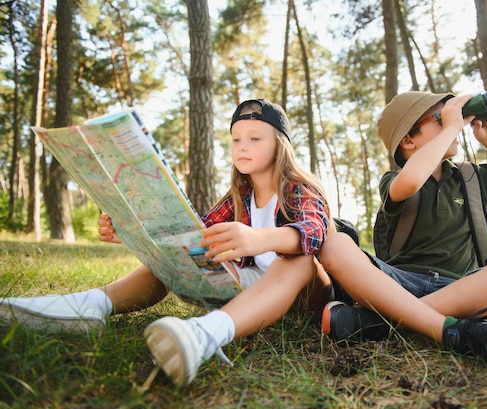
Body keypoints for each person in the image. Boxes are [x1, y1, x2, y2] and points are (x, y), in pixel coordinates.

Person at [0, 99, 335, 386]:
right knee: (184, 251)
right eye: (235, 140)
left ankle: (205, 336)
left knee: (297, 258)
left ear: (280, 143)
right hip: (251, 292)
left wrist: (259, 238)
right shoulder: (237, 197)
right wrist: (130, 230)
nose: (242, 146)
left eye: (254, 138)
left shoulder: (297, 188)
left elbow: (315, 233)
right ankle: (90, 305)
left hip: (306, 298)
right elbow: (194, 237)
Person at [320, 91, 487, 364]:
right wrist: (451, 127)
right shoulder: (396, 179)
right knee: (336, 244)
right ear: (408, 140)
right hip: (399, 285)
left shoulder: (472, 178)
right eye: (441, 118)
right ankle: (457, 331)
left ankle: (379, 324)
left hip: (463, 289)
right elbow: (412, 180)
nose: (455, 122)